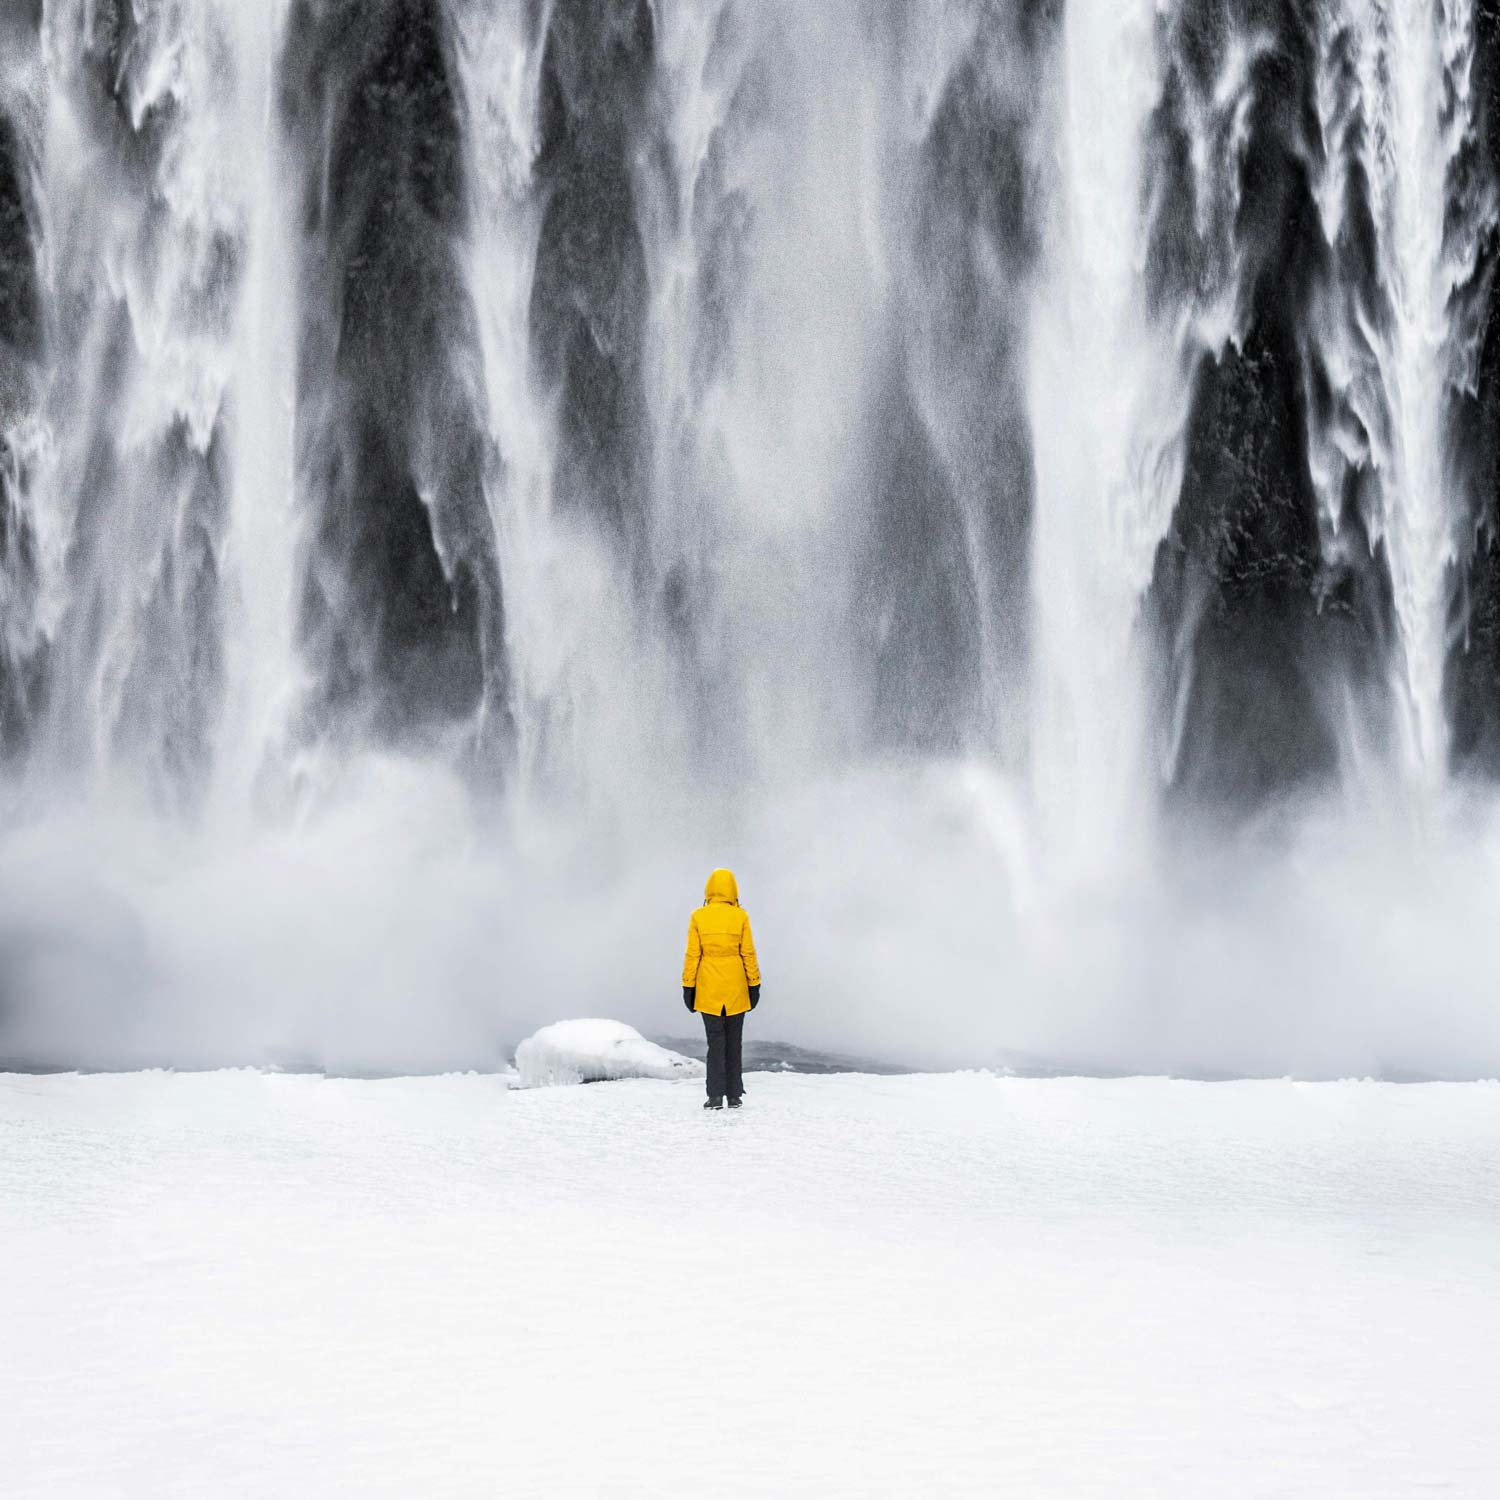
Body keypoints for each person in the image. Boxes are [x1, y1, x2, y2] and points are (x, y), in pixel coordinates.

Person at [681, 867, 760, 1109]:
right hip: (736, 988)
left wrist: (688, 985)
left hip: (709, 989)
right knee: (734, 1041)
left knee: (715, 1042)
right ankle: (734, 1095)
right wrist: (754, 983)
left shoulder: (698, 916)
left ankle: (714, 1096)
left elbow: (692, 955)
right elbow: (748, 953)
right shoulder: (741, 916)